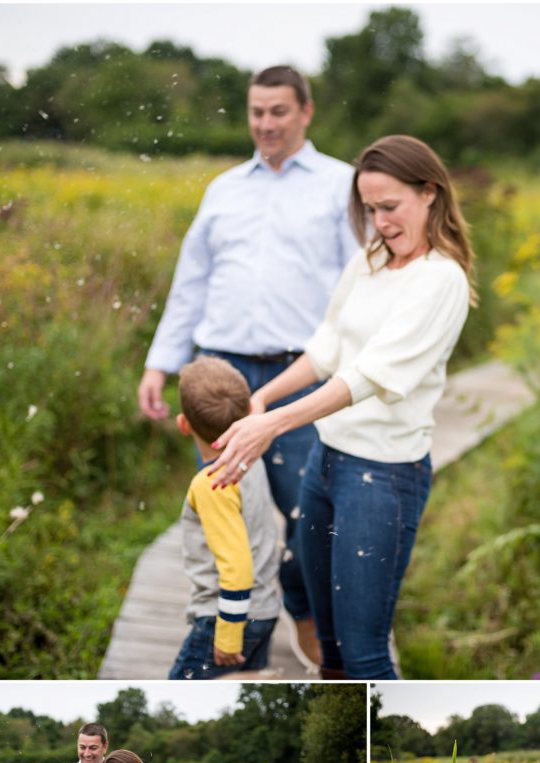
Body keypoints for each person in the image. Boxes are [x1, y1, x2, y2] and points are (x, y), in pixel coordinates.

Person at [207, 134, 474, 679]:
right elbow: (329, 346)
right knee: (328, 650)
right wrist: (264, 397)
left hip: (382, 478)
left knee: (364, 652)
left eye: (390, 207)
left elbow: (371, 374)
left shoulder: (441, 279)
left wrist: (272, 425)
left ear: (429, 193)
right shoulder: (371, 261)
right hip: (324, 465)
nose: (380, 222)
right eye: (370, 209)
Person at [139, 64, 359, 671]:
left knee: (303, 513)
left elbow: (357, 290)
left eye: (278, 111)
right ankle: (236, 636)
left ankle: (308, 618)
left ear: (306, 112)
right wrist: (160, 365)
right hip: (221, 375)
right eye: (257, 111)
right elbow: (192, 283)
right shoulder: (224, 189)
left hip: (300, 374)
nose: (265, 123)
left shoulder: (342, 185)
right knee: (229, 508)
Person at [168, 355, 281, 679]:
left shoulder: (212, 484)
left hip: (226, 618)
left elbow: (237, 566)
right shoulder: (252, 457)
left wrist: (229, 635)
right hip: (264, 610)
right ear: (248, 415)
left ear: (183, 424)